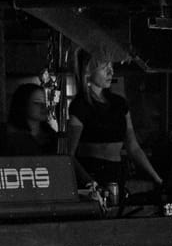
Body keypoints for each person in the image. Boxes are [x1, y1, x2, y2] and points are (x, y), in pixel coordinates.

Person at [64, 57, 161, 198]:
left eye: (111, 67)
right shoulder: (80, 105)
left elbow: (133, 147)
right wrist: (90, 183)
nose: (111, 72)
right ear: (88, 72)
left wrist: (157, 178)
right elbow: (69, 154)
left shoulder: (119, 104)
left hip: (116, 171)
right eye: (104, 68)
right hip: (92, 171)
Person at [2, 82, 59, 156]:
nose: (44, 107)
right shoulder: (12, 138)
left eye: (46, 103)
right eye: (37, 103)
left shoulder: (51, 135)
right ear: (23, 104)